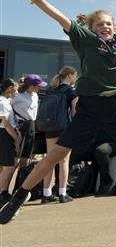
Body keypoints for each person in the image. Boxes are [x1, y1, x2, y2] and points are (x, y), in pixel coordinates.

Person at [0, 0, 116, 225]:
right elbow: (58, 17)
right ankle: (18, 198)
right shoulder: (85, 39)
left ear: (115, 26)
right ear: (91, 28)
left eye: (109, 23)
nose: (105, 27)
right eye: (100, 24)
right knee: (55, 154)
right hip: (89, 109)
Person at [41, 67, 79, 204]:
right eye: (75, 75)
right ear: (69, 76)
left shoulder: (50, 90)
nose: (76, 77)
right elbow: (75, 114)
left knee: (49, 160)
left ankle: (46, 194)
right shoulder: (71, 92)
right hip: (65, 129)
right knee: (64, 161)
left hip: (50, 129)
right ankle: (63, 193)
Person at [12, 74, 46, 174]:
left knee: (26, 159)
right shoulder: (17, 95)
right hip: (20, 126)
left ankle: (19, 186)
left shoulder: (35, 96)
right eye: (39, 86)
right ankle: (4, 188)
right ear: (31, 86)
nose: (40, 88)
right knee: (15, 160)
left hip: (31, 126)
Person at [0, 79, 20, 205]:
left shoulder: (7, 101)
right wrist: (16, 138)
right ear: (9, 88)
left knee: (5, 166)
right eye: (15, 89)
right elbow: (6, 123)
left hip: (6, 134)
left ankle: (3, 192)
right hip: (4, 134)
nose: (16, 92)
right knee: (8, 167)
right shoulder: (2, 102)